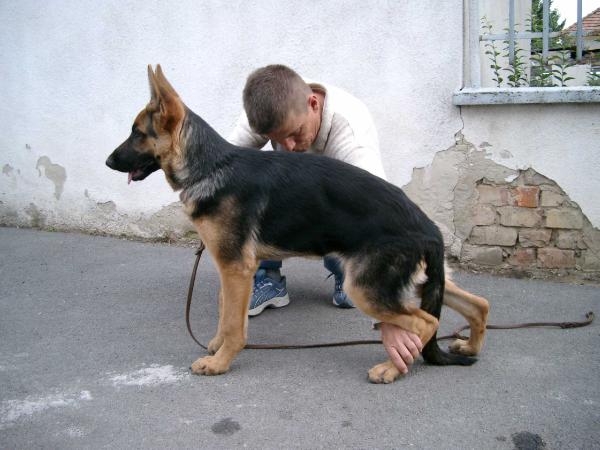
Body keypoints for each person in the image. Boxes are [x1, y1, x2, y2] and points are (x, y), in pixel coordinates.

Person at [228, 64, 422, 374]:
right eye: (278, 139)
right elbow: (225, 166)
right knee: (256, 186)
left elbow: (382, 225)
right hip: (291, 194)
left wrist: (388, 314)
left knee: (351, 235)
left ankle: (343, 272)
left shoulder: (352, 138)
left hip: (337, 208)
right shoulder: (266, 110)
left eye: (295, 134)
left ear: (313, 104)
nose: (289, 148)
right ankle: (269, 277)